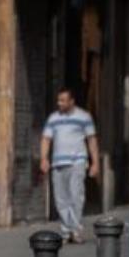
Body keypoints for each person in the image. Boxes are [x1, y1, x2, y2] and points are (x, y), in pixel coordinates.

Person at [40, 88, 99, 243]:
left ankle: (76, 230)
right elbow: (46, 139)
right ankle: (66, 231)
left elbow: (91, 140)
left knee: (76, 196)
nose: (60, 103)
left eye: (63, 100)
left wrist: (95, 163)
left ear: (71, 101)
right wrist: (44, 159)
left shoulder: (84, 117)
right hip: (58, 163)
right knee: (61, 199)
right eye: (58, 100)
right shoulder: (53, 118)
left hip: (77, 162)